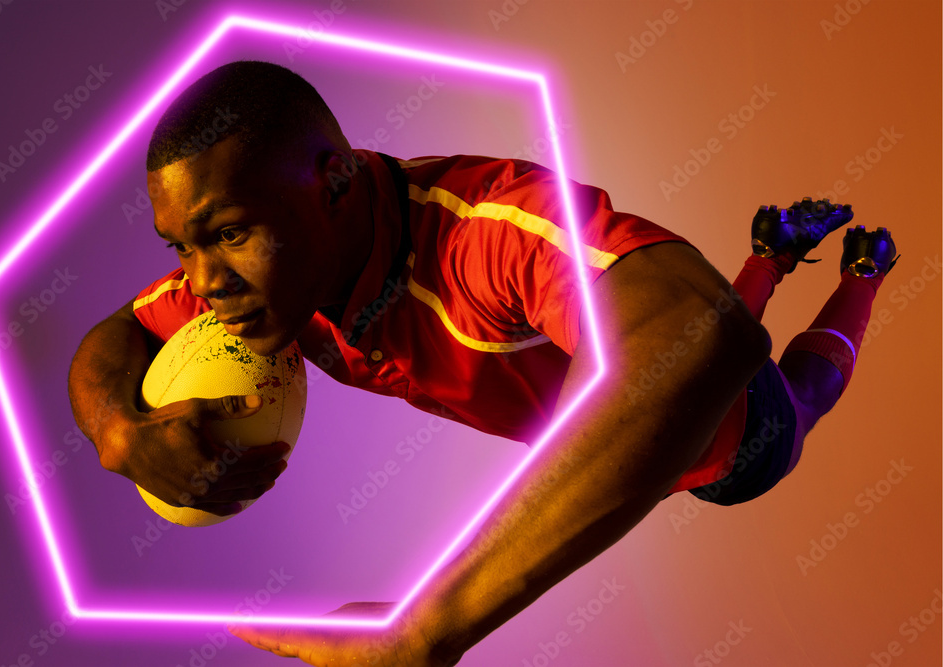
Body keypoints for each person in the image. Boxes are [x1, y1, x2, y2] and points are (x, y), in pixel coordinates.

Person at [67, 61, 898, 665]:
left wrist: (428, 624)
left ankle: (865, 272)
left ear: (336, 181)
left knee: (800, 393)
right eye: (183, 246)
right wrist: (116, 427)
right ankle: (770, 257)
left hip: (726, 438)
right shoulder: (263, 286)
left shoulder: (484, 228)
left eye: (228, 234)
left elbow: (704, 338)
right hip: (644, 406)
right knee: (706, 331)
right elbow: (112, 338)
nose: (201, 281)